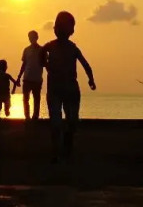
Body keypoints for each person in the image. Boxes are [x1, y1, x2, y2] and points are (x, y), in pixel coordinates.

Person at [42, 10, 96, 161]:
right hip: (56, 89)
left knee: (71, 120)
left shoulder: (72, 48)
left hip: (70, 89)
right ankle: (57, 150)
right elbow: (41, 54)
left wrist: (91, 79)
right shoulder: (50, 46)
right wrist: (46, 65)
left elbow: (85, 64)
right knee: (56, 121)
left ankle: (66, 147)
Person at [18, 29, 46, 120]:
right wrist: (19, 77)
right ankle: (27, 117)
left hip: (37, 79)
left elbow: (45, 64)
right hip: (27, 78)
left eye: (33, 37)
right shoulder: (26, 50)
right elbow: (24, 64)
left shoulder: (42, 50)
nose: (31, 39)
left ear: (37, 38)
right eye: (29, 37)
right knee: (25, 99)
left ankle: (35, 116)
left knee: (36, 99)